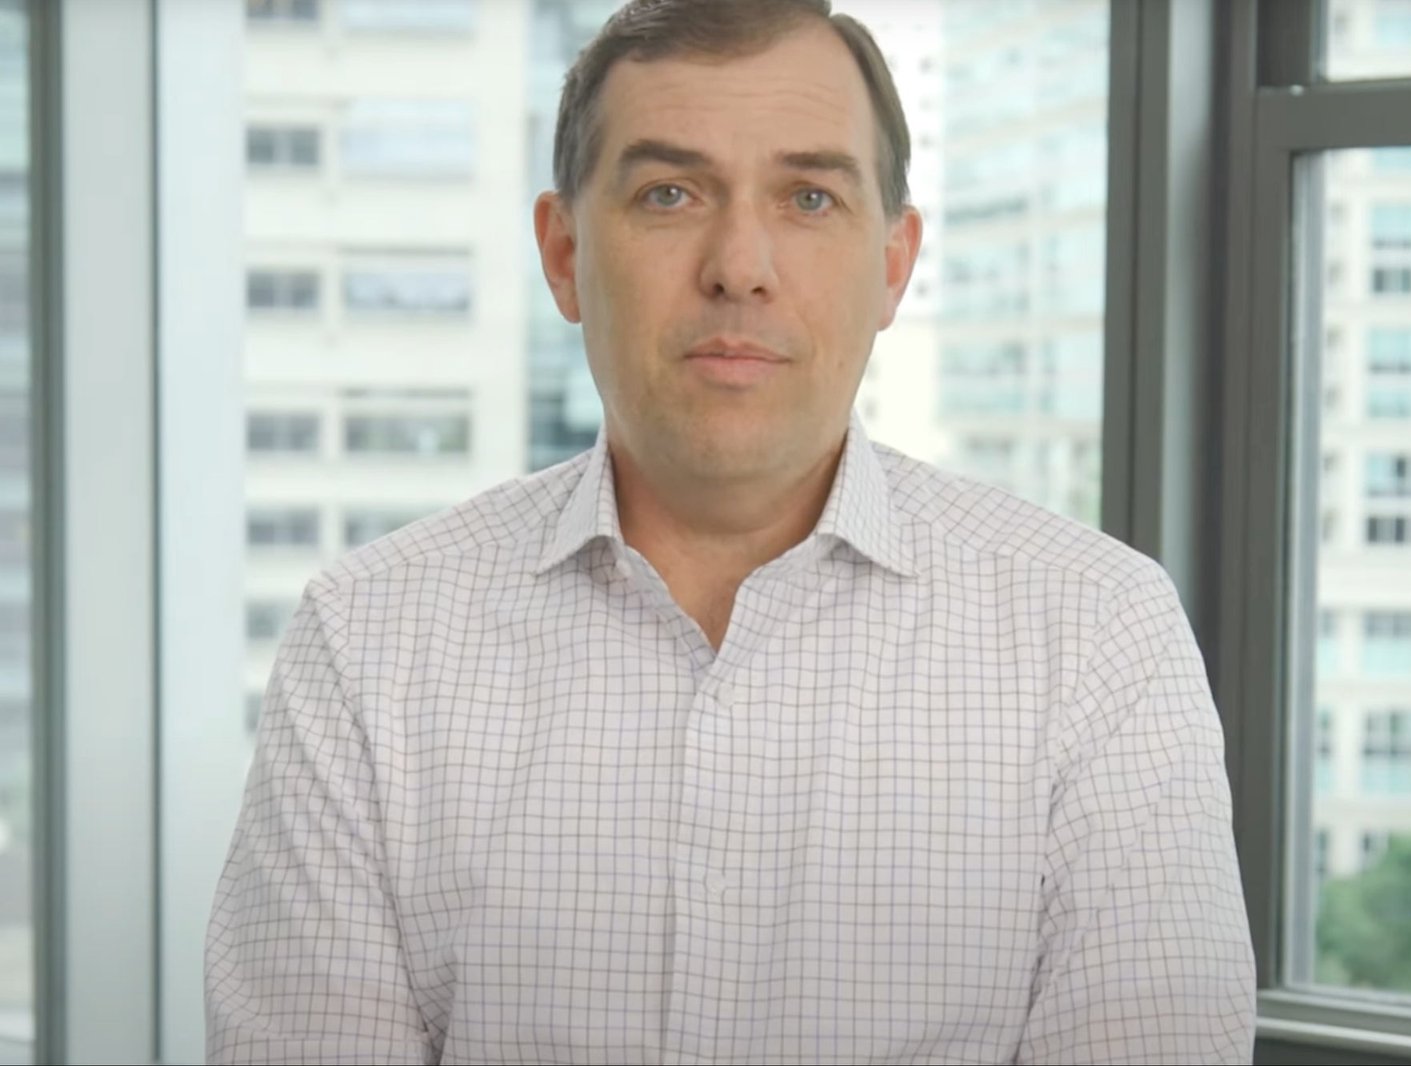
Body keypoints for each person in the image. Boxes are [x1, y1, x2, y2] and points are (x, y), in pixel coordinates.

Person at [204, 0, 1256, 1062]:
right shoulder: (368, 642)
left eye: (809, 197)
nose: (740, 265)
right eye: (670, 193)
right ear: (564, 255)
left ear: (893, 264)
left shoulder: (1097, 637)